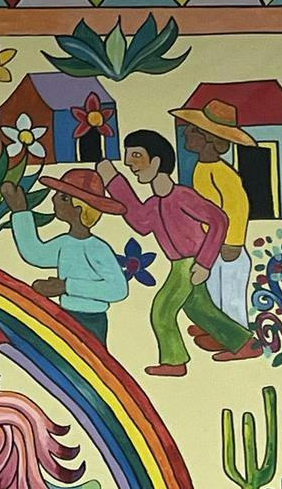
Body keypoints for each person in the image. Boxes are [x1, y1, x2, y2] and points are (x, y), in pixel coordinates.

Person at [100, 131, 260, 377]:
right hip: (179, 264)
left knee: (162, 310)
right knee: (200, 310)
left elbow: (218, 220)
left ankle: (174, 362)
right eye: (128, 157)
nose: (130, 163)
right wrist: (114, 181)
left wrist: (205, 263)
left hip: (190, 263)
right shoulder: (154, 203)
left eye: (136, 156)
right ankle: (246, 343)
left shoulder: (182, 196)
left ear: (156, 161)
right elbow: (141, 222)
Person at [1, 171, 129, 343]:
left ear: (79, 209)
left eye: (63, 197)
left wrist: (66, 286)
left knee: (90, 362)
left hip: (91, 320)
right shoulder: (65, 243)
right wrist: (20, 212)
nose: (53, 199)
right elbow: (35, 254)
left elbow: (118, 289)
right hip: (66, 315)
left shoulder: (97, 249)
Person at [171, 97, 256, 343]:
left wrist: (233, 243)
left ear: (209, 138)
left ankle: (242, 341)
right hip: (214, 245)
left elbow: (237, 209)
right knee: (214, 291)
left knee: (231, 297)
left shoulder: (222, 173)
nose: (186, 132)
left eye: (193, 129)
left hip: (230, 249)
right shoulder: (201, 168)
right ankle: (219, 332)